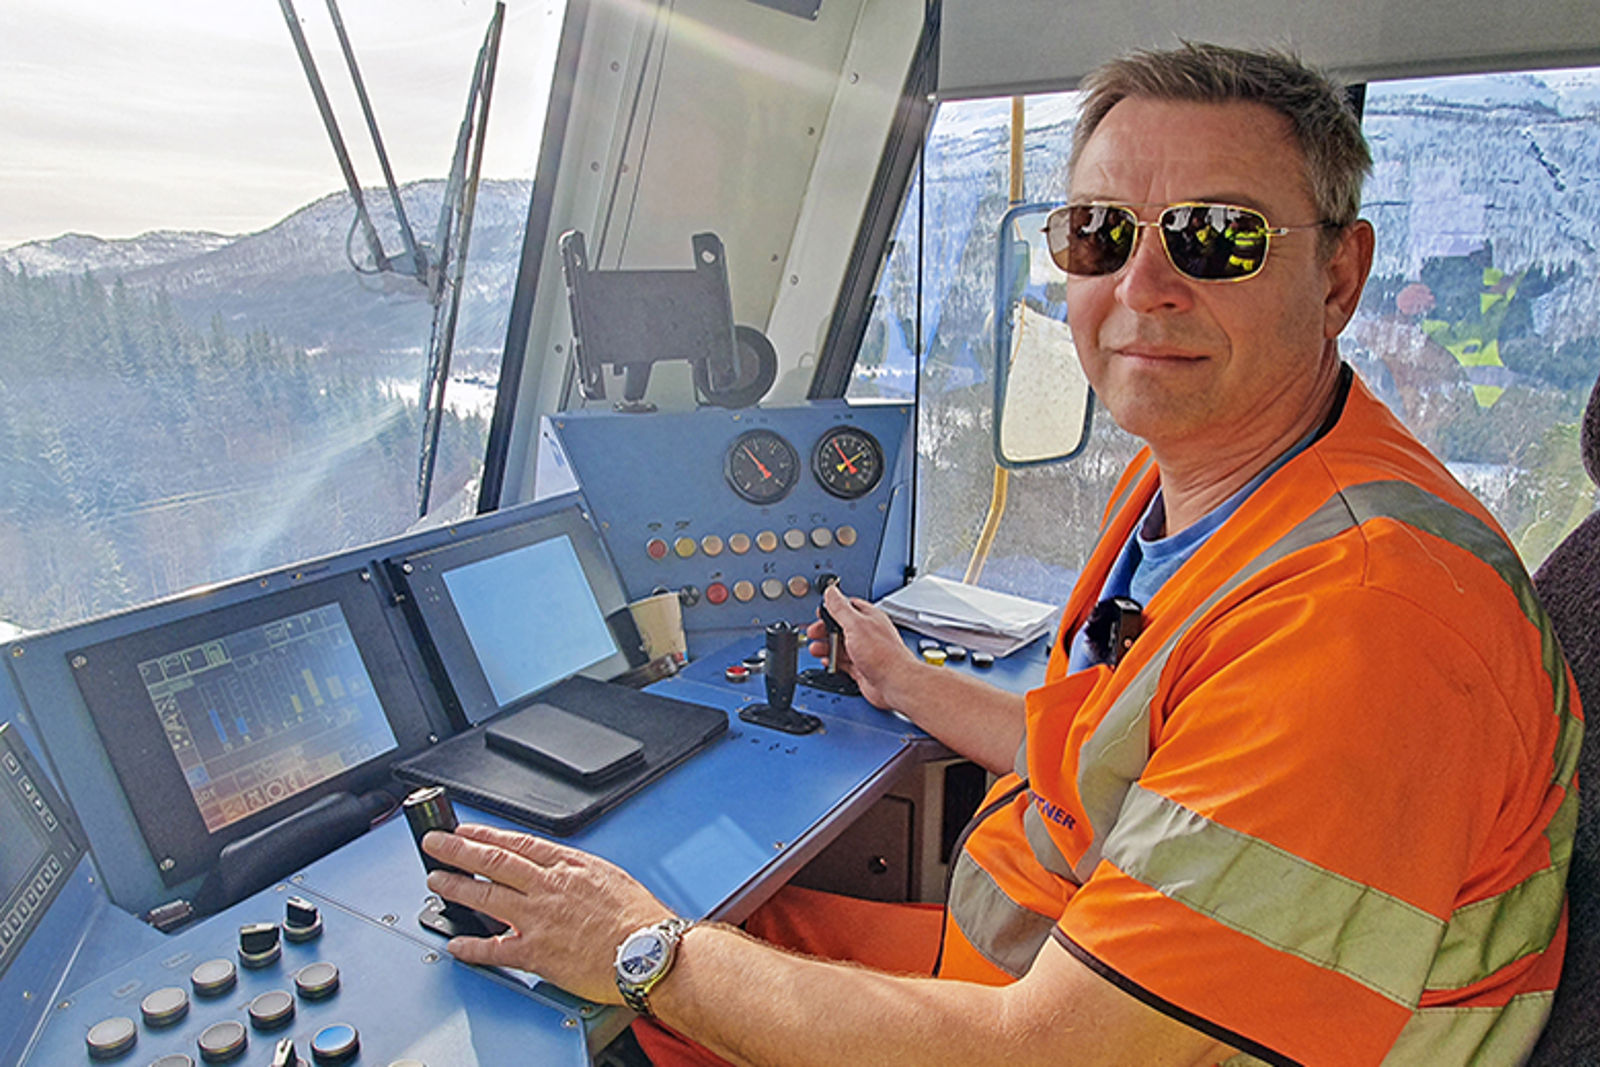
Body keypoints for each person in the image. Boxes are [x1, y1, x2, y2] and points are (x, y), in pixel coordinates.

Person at [422, 43, 1580, 1065]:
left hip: (1067, 1027)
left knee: (623, 985)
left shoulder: (1362, 620)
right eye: (1098, 232)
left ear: (1337, 276)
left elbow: (1056, 1052)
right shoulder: (1210, 483)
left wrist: (637, 947)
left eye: (1217, 236)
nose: (1141, 287)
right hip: (1039, 960)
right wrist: (906, 682)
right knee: (684, 940)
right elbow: (1123, 759)